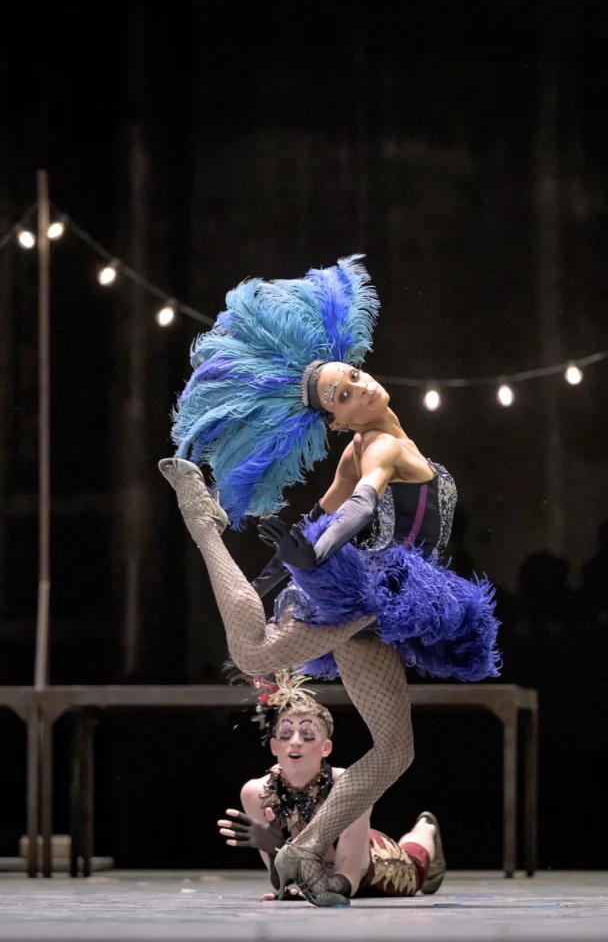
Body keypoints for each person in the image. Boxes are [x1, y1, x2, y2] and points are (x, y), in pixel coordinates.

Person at [159, 255, 500, 907]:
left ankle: (307, 847)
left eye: (352, 377)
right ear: (338, 422)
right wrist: (316, 560)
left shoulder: (365, 442)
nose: (358, 390)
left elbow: (319, 518)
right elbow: (357, 507)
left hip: (379, 610)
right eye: (341, 397)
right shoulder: (374, 446)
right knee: (255, 651)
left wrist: (291, 569)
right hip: (373, 593)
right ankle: (202, 521)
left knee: (394, 750)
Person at [217, 671, 446, 901]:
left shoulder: (349, 784)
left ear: (325, 748)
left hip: (373, 865)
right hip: (318, 879)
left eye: (307, 734)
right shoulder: (257, 793)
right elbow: (281, 883)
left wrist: (313, 887)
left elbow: (349, 880)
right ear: (275, 746)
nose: (295, 741)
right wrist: (272, 847)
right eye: (286, 734)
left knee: (415, 866)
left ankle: (426, 828)